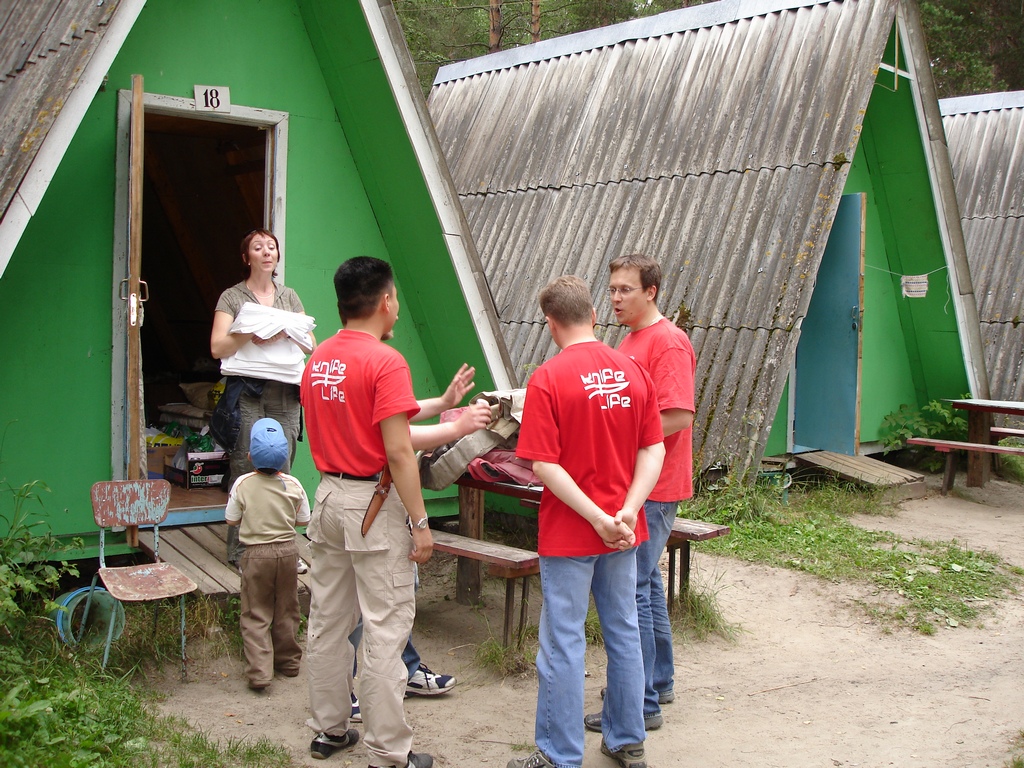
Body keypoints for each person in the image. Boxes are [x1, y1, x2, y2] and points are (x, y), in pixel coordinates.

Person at [300, 256, 489, 767]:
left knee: (328, 619)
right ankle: (389, 752)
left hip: (329, 498)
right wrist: (422, 524)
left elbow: (375, 416)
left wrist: (444, 404)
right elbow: (398, 449)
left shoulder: (321, 358)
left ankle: (329, 729)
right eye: (397, 298)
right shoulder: (385, 360)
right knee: (385, 626)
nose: (398, 307)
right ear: (385, 301)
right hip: (373, 506)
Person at [510, 275, 665, 768]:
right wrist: (628, 509)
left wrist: (597, 518)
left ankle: (560, 755)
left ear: (550, 323)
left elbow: (544, 464)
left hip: (571, 532)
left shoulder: (548, 378)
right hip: (624, 529)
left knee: (564, 640)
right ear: (595, 315)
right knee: (623, 629)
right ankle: (627, 739)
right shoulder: (632, 370)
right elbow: (653, 448)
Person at [586, 253, 696, 734]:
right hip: (636, 482)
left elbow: (678, 415)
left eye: (625, 289)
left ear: (651, 291)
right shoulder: (630, 338)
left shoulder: (667, 342)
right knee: (646, 584)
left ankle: (641, 703)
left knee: (631, 589)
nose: (615, 298)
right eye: (611, 289)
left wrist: (617, 436)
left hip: (655, 485)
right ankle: (657, 681)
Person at [211, 228, 316, 569]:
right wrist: (250, 332)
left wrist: (285, 330)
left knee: (281, 467)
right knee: (246, 465)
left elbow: (311, 344)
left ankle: (283, 550)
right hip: (247, 390)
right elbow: (217, 347)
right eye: (258, 247)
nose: (267, 252)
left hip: (285, 392)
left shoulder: (289, 297)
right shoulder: (232, 297)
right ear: (247, 258)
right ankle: (242, 552)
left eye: (271, 246)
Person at [224, 417, 311, 691]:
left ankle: (261, 672)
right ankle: (289, 662)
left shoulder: (242, 483)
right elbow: (303, 520)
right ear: (285, 457)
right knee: (287, 607)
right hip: (288, 553)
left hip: (256, 554)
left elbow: (231, 520)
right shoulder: (294, 484)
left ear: (250, 456)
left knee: (256, 611)